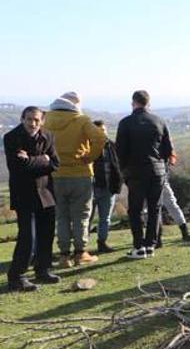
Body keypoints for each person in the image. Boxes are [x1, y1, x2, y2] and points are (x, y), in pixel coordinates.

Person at [44, 91, 106, 267]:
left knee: (61, 216)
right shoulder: (81, 120)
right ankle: (80, 253)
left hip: (54, 174)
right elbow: (100, 137)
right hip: (80, 174)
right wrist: (90, 157)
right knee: (81, 216)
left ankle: (64, 256)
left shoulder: (46, 120)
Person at [4, 107, 60, 292]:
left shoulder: (49, 136)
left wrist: (32, 160)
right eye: (29, 119)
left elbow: (55, 164)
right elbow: (17, 167)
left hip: (46, 193)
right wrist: (42, 159)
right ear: (22, 118)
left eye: (36, 120)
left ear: (42, 121)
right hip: (24, 194)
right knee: (28, 236)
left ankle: (42, 269)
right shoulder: (12, 137)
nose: (32, 123)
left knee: (47, 232)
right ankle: (17, 276)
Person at [116, 90, 173, 259]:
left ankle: (139, 246)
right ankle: (150, 245)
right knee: (155, 209)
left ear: (133, 103)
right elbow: (167, 150)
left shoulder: (125, 123)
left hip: (135, 172)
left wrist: (124, 171)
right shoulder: (159, 121)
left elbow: (120, 151)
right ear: (148, 103)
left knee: (135, 209)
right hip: (157, 171)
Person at [91, 120, 122, 253]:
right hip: (91, 188)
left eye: (103, 130)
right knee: (86, 219)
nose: (101, 133)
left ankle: (102, 243)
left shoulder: (112, 146)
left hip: (109, 187)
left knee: (105, 218)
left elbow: (118, 165)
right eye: (98, 130)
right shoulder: (87, 146)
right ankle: (80, 249)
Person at [156, 158, 190, 248]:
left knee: (151, 209)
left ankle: (156, 238)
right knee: (171, 205)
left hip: (148, 177)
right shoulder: (161, 143)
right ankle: (185, 232)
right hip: (160, 174)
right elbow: (172, 158)